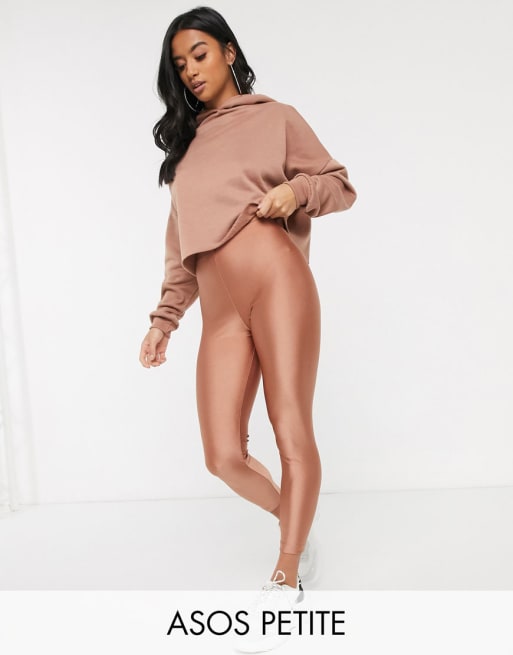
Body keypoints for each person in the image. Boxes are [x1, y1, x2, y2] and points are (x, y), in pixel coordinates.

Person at [138, 3, 357, 622]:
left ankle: (287, 575)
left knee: (289, 426)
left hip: (277, 279)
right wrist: (163, 320)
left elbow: (339, 184)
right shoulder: (184, 151)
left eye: (200, 54)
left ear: (229, 52)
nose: (191, 70)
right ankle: (298, 523)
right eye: (180, 63)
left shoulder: (276, 117)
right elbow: (180, 250)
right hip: (220, 311)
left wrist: (294, 191)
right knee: (222, 456)